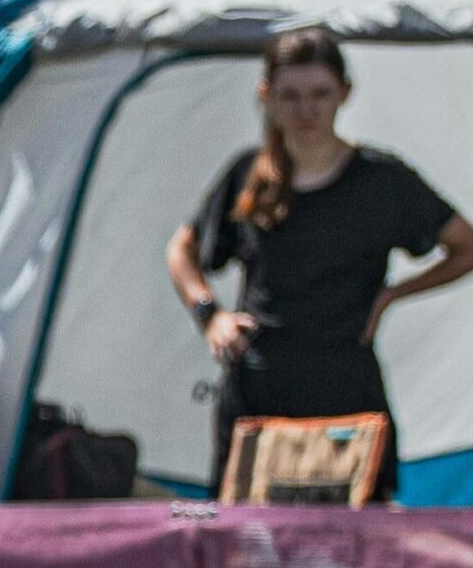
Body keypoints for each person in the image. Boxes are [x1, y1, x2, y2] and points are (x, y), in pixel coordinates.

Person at [166, 28, 473, 500]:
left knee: (355, 547)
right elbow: (181, 250)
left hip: (347, 392)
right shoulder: (248, 176)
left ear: (344, 93)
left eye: (319, 94)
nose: (305, 110)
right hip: (259, 391)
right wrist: (210, 315)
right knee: (245, 542)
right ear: (266, 95)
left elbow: (465, 246)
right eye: (290, 95)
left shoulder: (382, 181)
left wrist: (392, 295)